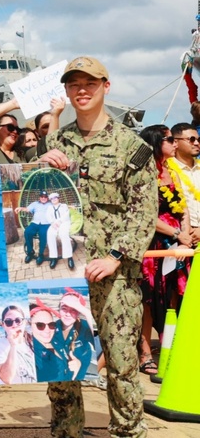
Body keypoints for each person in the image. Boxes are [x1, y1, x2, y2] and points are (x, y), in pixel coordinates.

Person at [38, 56, 157, 438]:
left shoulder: (131, 146)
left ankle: (127, 432)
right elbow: (33, 197)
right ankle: (66, 432)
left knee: (121, 365)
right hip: (62, 272)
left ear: (106, 85)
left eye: (90, 83)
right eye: (74, 85)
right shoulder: (56, 141)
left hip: (115, 277)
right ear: (67, 91)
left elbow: (143, 210)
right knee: (61, 363)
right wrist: (39, 166)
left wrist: (115, 257)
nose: (82, 90)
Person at [137, 124, 191, 373]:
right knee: (149, 299)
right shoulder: (146, 173)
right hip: (154, 243)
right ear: (156, 142)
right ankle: (145, 352)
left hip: (177, 244)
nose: (174, 143)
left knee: (173, 296)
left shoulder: (172, 169)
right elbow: (147, 215)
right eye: (169, 139)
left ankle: (170, 349)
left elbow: (184, 206)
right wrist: (177, 234)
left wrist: (186, 234)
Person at [0, 305, 36, 385]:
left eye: (18, 320)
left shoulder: (34, 343)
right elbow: (7, 378)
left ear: (24, 322)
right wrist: (13, 345)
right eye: (9, 322)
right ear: (3, 325)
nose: (14, 325)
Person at [54, 290, 95, 381]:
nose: (68, 314)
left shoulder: (84, 326)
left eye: (74, 309)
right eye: (64, 308)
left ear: (79, 312)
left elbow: (100, 342)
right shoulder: (50, 328)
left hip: (79, 371)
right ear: (59, 310)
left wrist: (87, 313)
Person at [30, 301, 67, 382]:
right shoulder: (32, 353)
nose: (47, 330)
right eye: (40, 325)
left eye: (51, 324)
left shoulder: (55, 341)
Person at [18, 191, 54, 266]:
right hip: (35, 223)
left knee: (43, 234)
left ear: (47, 198)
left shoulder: (51, 204)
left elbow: (59, 205)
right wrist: (20, 208)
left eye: (45, 197)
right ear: (39, 197)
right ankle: (30, 252)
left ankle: (41, 255)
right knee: (27, 232)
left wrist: (69, 206)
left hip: (46, 224)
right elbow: (27, 209)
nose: (43, 198)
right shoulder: (35, 204)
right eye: (42, 196)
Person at [45, 192, 75, 270]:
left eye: (55, 198)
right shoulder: (49, 208)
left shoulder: (64, 206)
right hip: (54, 223)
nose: (54, 199)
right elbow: (48, 216)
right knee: (50, 234)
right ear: (50, 200)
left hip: (64, 223)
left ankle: (69, 257)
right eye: (52, 198)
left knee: (64, 234)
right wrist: (52, 223)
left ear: (58, 198)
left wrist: (59, 221)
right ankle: (53, 257)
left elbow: (66, 215)